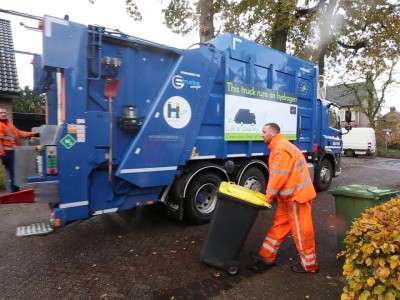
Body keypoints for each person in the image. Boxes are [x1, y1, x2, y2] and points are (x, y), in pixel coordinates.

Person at [250, 123, 318, 273]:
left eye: (264, 131)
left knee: (301, 231)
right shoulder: (281, 146)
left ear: (273, 133)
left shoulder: (281, 149)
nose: (262, 134)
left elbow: (278, 177)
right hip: (289, 197)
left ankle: (309, 265)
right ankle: (266, 256)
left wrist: (268, 198)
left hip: (296, 197)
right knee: (279, 226)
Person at [0, 107, 39, 192]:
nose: (3, 114)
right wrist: (2, 154)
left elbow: (19, 133)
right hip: (7, 153)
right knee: (12, 172)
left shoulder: (9, 125)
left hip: (14, 151)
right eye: (1, 113)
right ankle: (13, 192)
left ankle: (16, 191)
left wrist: (34, 134)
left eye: (4, 113)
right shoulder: (1, 126)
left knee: (16, 171)